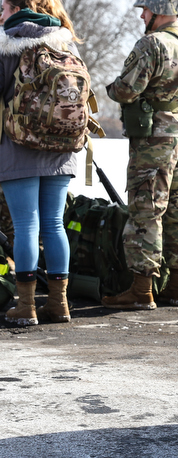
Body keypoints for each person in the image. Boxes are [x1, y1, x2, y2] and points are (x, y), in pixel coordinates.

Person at [102, 0, 178, 310]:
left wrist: (112, 89)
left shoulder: (152, 44)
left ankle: (141, 288)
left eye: (145, 9)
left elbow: (127, 89)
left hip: (154, 139)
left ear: (159, 10)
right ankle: (176, 286)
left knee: (146, 209)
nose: (141, 14)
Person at [0, 0, 81, 326]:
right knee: (54, 224)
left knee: (25, 228)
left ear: (17, 7)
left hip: (19, 148)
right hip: (61, 150)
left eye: (3, 6)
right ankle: (59, 304)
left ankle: (27, 305)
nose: (0, 13)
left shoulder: (8, 42)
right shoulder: (63, 40)